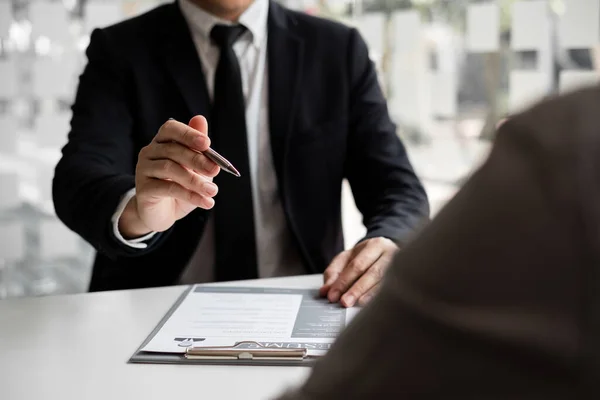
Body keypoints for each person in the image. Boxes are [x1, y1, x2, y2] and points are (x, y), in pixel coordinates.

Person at [52, 0, 429, 305]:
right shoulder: (120, 49)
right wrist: (137, 210)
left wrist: (390, 240)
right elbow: (77, 177)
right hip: (151, 305)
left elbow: (396, 186)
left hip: (309, 300)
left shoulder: (337, 49)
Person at [277, 86, 600, 399]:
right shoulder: (568, 139)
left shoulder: (569, 144)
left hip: (318, 295)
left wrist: (389, 237)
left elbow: (398, 186)